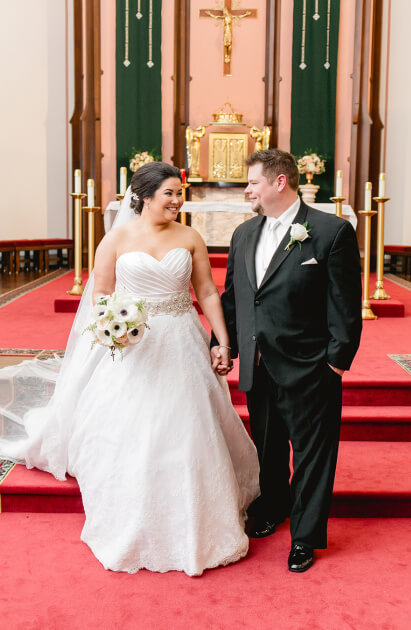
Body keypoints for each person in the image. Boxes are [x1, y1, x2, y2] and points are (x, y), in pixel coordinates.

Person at [0, 162, 260, 576]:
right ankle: (132, 511)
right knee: (133, 427)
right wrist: (113, 329)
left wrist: (222, 341)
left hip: (181, 341)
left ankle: (197, 514)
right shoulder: (116, 239)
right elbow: (100, 296)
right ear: (144, 196)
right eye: (169, 194)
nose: (177, 201)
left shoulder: (189, 237)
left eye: (180, 193)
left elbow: (208, 291)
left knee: (189, 426)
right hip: (131, 348)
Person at [211, 149, 362, 572]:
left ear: (280, 182)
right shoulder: (243, 234)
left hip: (311, 365)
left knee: (313, 456)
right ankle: (272, 508)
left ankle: (305, 537)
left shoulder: (330, 231)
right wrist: (226, 345)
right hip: (259, 364)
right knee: (268, 448)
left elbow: (346, 305)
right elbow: (236, 297)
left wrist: (335, 362)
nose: (247, 191)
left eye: (253, 183)